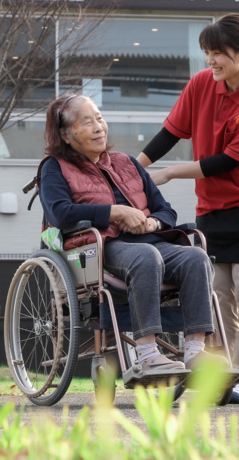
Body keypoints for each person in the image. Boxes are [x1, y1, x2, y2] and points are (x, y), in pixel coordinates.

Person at [136, 13, 239, 404]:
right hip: (212, 208)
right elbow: (171, 131)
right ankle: (220, 379)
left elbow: (228, 162)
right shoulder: (203, 84)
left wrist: (168, 174)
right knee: (217, 303)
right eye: (206, 53)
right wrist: (134, 169)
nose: (210, 61)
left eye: (217, 53)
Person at [38, 93, 216, 378]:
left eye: (100, 118)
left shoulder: (127, 163)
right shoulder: (54, 167)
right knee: (146, 257)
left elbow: (165, 210)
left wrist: (153, 224)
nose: (99, 127)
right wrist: (115, 213)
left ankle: (195, 352)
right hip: (101, 246)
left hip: (150, 241)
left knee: (196, 257)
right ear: (66, 134)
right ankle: (147, 355)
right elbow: (60, 214)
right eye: (87, 122)